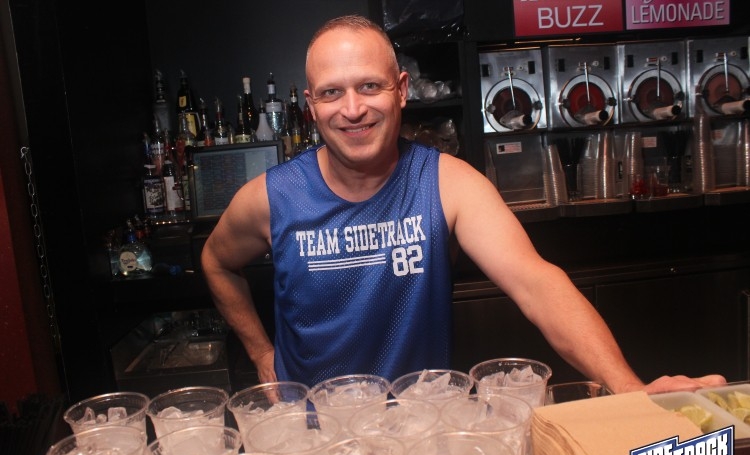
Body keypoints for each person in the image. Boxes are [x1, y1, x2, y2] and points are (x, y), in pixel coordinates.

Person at [201, 14, 725, 394]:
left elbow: (536, 283)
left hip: (420, 430)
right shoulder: (271, 198)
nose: (353, 109)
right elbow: (216, 262)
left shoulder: (447, 184)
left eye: (369, 86)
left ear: (401, 90)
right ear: (311, 105)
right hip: (310, 437)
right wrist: (262, 352)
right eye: (332, 93)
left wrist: (628, 388)